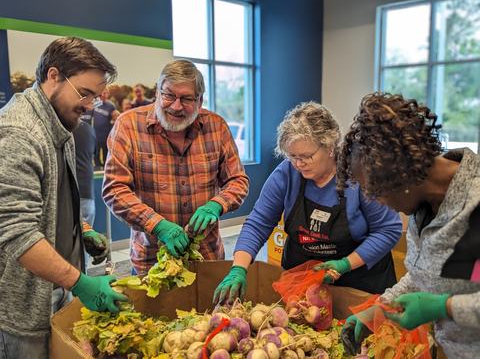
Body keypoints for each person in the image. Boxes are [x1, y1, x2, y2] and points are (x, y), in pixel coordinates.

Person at [0, 37, 128, 359]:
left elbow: (55, 199)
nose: (89, 106)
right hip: (25, 310)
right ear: (53, 76)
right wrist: (81, 283)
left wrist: (82, 229)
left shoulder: (62, 123)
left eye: (95, 98)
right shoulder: (19, 134)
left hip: (58, 288)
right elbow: (18, 234)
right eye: (84, 93)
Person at [213, 101, 402, 304]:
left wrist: (345, 264)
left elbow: (388, 230)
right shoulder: (287, 174)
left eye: (306, 156)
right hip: (302, 279)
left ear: (329, 147)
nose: (298, 164)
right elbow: (259, 222)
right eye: (292, 156)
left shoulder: (358, 175)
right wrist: (238, 268)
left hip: (359, 278)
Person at [337, 92, 480, 357]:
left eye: (374, 191)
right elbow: (424, 273)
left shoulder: (475, 200)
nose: (374, 200)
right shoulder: (423, 206)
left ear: (398, 174)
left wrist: (444, 307)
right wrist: (380, 308)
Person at [102, 59, 249, 275]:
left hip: (206, 257)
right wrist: (157, 224)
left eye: (187, 98)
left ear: (200, 100)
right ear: (158, 92)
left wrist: (217, 205)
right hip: (151, 261)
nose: (176, 106)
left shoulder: (216, 126)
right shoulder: (128, 126)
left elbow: (238, 180)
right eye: (169, 95)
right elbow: (114, 189)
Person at [84, 88, 119, 168]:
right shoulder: (95, 103)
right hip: (95, 133)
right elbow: (88, 115)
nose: (103, 94)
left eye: (105, 93)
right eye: (102, 92)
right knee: (96, 153)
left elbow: (115, 117)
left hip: (106, 134)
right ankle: (97, 167)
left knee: (106, 153)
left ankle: (106, 168)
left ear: (108, 94)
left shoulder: (111, 105)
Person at [73, 117, 96, 226]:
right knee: (86, 239)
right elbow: (93, 154)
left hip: (69, 193)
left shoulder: (63, 129)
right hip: (87, 192)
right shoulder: (89, 129)